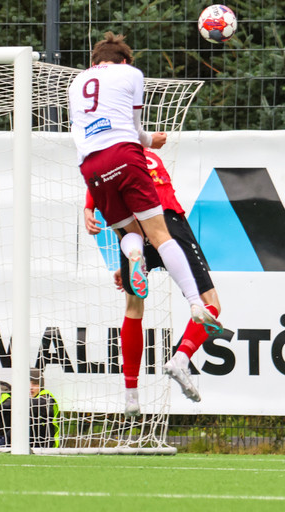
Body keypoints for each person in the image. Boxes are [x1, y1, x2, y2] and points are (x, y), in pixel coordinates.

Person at [68, 31, 223, 339]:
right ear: (125, 60)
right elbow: (135, 129)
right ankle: (195, 303)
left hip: (91, 167)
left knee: (130, 234)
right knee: (160, 234)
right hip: (124, 154)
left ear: (94, 62)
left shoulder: (76, 84)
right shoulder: (131, 74)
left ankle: (135, 256)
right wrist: (153, 141)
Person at [84, 149, 222, 415]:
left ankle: (131, 394)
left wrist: (88, 207)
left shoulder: (104, 161)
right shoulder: (140, 154)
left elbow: (97, 183)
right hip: (165, 221)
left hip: (131, 227)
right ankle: (181, 358)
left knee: (133, 308)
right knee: (211, 303)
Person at [29, 368, 60, 448]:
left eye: (35, 384)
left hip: (45, 445)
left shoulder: (46, 397)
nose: (30, 387)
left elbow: (39, 405)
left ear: (41, 385)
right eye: (26, 383)